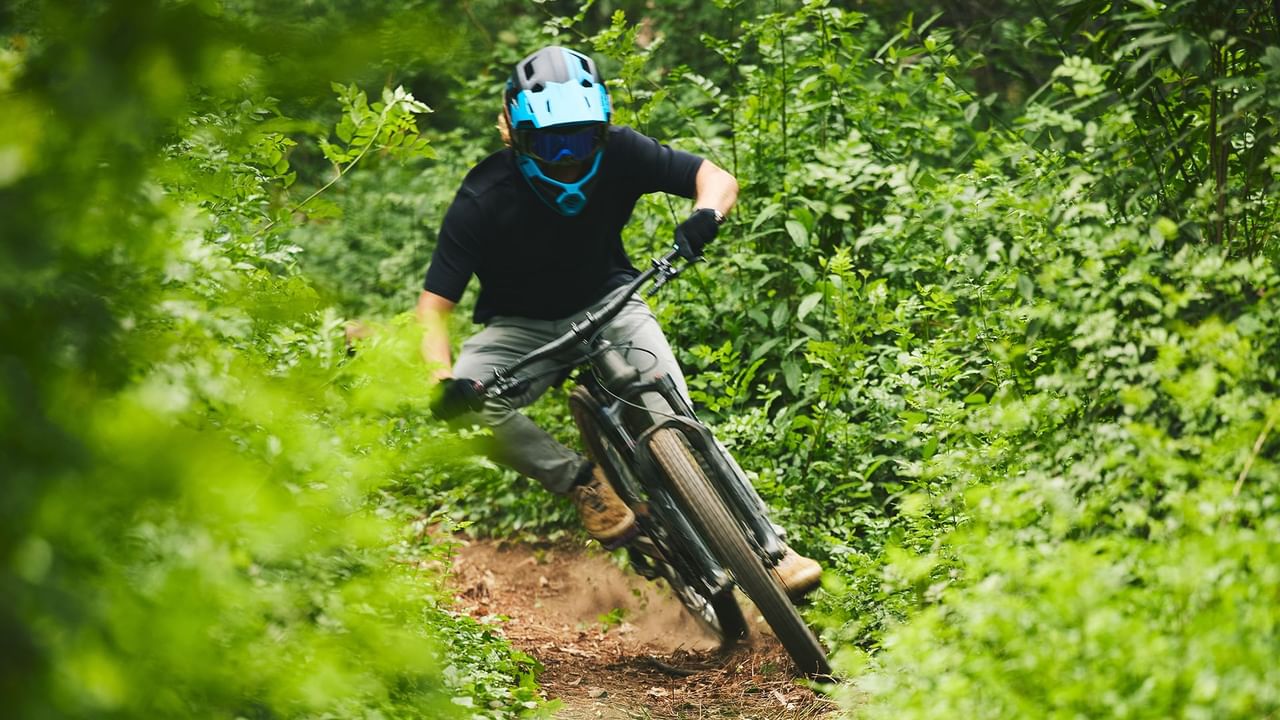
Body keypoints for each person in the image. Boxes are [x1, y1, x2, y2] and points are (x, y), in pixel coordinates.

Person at [417, 46, 820, 598]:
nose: (567, 158)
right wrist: (443, 380)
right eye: (550, 142)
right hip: (521, 329)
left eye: (580, 140)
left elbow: (716, 178)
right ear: (515, 131)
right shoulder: (483, 196)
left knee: (676, 418)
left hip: (613, 303)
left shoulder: (625, 152)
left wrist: (706, 215)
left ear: (602, 128)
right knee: (467, 407)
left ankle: (773, 549)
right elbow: (433, 309)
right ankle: (583, 482)